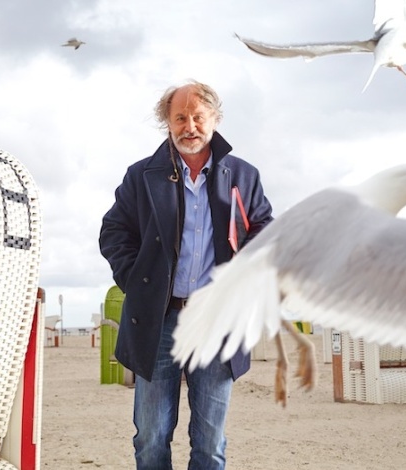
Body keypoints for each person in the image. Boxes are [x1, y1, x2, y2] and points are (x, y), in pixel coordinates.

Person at [99, 79, 274, 469]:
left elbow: (264, 229)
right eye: (180, 117)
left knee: (210, 441)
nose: (189, 126)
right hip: (157, 321)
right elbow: (114, 232)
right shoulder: (141, 175)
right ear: (167, 122)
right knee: (150, 436)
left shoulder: (243, 176)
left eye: (198, 116)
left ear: (215, 119)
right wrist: (136, 279)